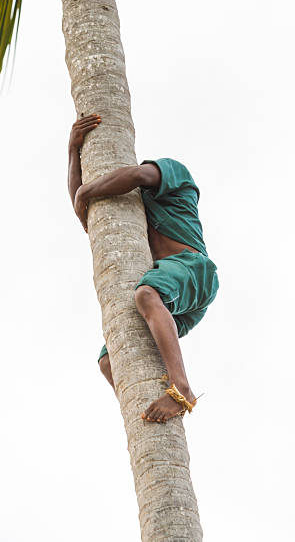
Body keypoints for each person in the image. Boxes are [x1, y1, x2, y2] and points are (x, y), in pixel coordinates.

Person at [68, 114, 219, 423]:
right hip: (172, 293)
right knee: (108, 359)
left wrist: (87, 191)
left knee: (146, 294)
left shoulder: (175, 173)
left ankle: (182, 387)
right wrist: (73, 152)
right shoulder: (133, 213)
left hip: (192, 270)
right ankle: (143, 419)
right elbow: (84, 208)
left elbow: (136, 176)